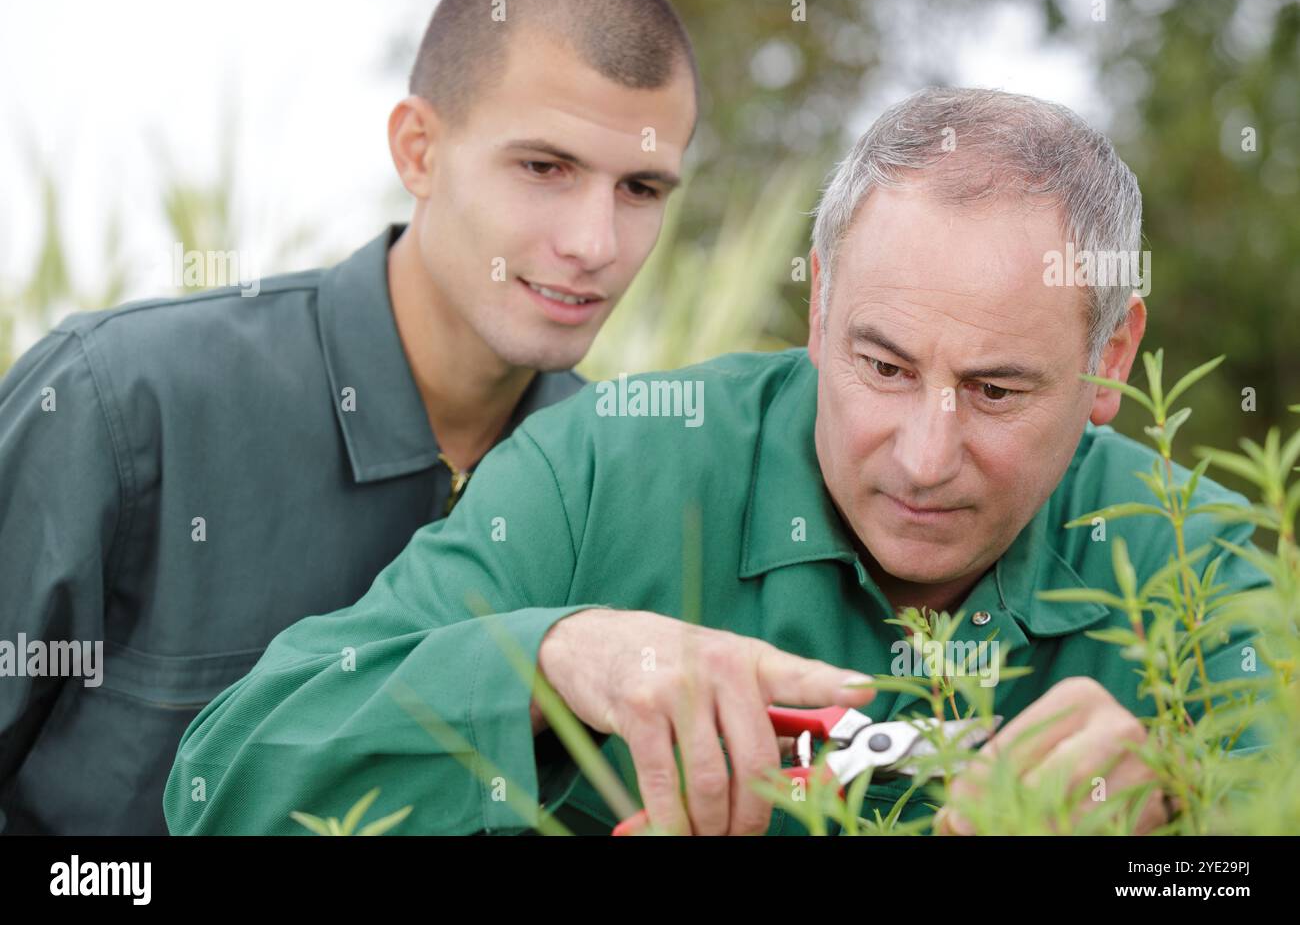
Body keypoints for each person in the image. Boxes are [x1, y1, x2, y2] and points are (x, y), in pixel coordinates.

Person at [164, 87, 1267, 837]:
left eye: (996, 391)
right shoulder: (604, 470)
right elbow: (228, 779)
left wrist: (1176, 837)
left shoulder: (1197, 561)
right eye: (881, 367)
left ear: (1109, 359)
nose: (927, 457)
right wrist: (557, 659)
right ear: (822, 303)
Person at [0, 0, 698, 834]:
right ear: (419, 150)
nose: (594, 243)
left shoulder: (631, 489)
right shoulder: (119, 402)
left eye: (641, 188)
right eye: (545, 167)